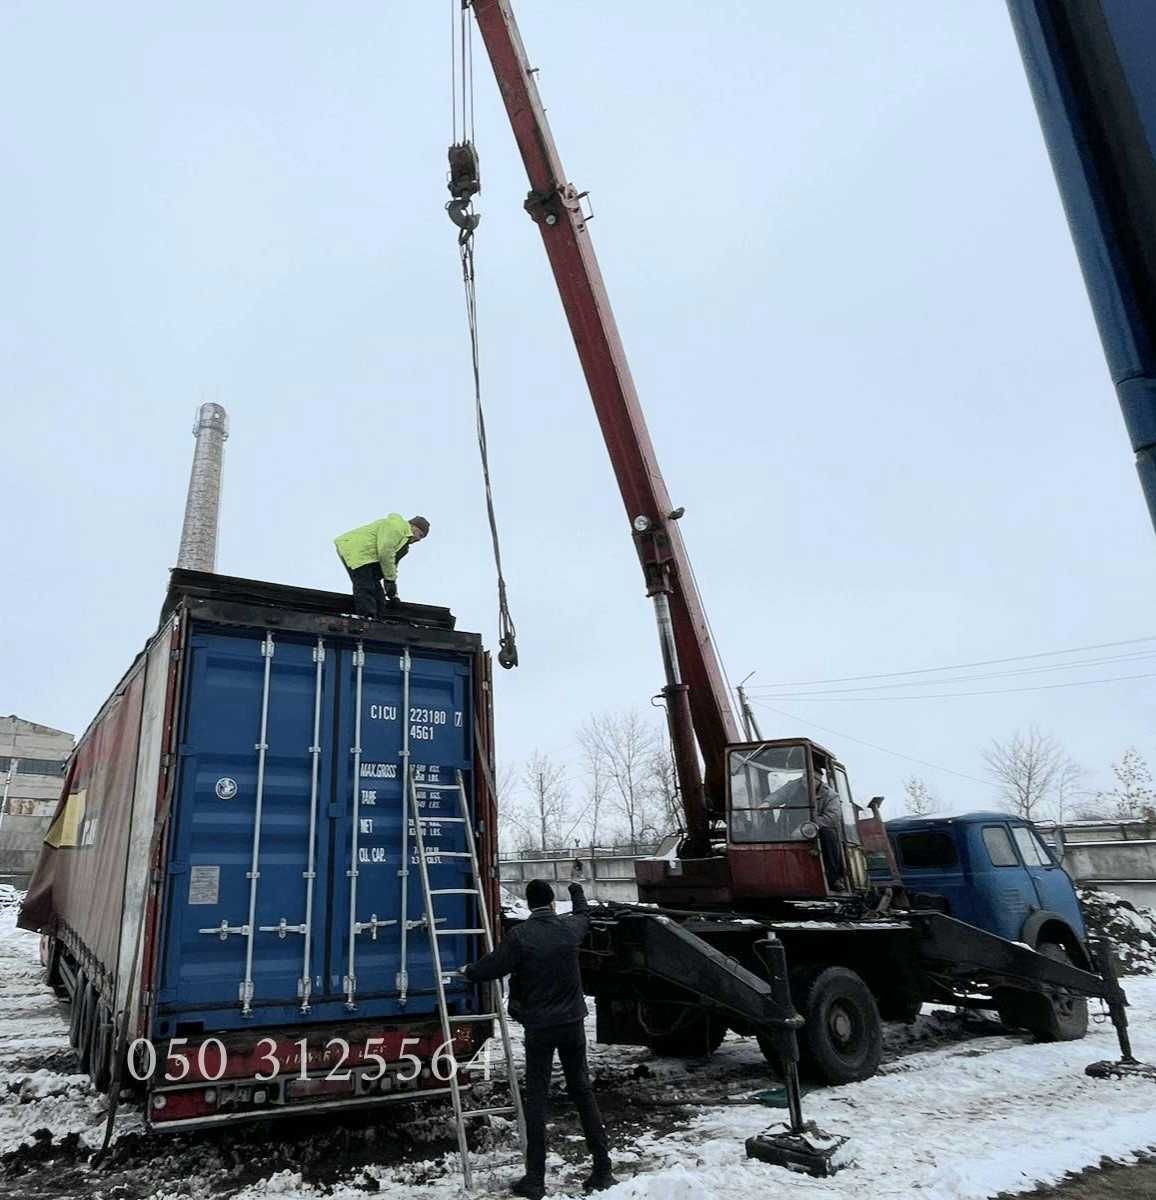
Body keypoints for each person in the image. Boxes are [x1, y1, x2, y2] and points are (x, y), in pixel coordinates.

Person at [461, 878, 616, 1200]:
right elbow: (584, 914)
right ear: (550, 900)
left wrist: (468, 971)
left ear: (530, 904)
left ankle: (535, 1179)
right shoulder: (569, 929)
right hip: (573, 1023)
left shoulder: (520, 937)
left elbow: (492, 967)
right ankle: (602, 1169)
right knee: (582, 1092)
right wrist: (576, 891)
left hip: (541, 1028)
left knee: (537, 1098)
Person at [334, 513, 429, 620]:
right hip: (357, 551)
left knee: (378, 593)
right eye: (420, 535)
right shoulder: (396, 527)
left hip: (369, 558)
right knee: (365, 584)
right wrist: (390, 581)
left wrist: (392, 592)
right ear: (413, 526)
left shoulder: (404, 546)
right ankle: (366, 616)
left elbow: (391, 565)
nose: (419, 539)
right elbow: (385, 552)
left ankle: (378, 618)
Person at [814, 769, 848, 891]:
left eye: (811, 778)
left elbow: (831, 818)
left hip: (818, 829)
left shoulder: (831, 795)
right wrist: (767, 802)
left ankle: (834, 879)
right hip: (796, 827)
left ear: (819, 780)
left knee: (828, 834)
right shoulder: (796, 787)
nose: (805, 781)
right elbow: (780, 794)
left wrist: (810, 825)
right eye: (804, 777)